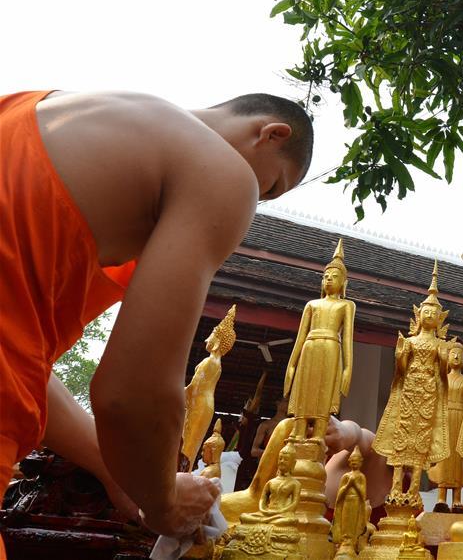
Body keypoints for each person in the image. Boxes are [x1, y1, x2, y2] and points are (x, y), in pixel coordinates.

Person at [0, 90, 313, 552]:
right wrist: (164, 502)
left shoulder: (42, 110)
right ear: (270, 134)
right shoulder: (218, 172)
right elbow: (130, 395)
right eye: (271, 188)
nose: (257, 201)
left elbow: (23, 363)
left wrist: (115, 469)